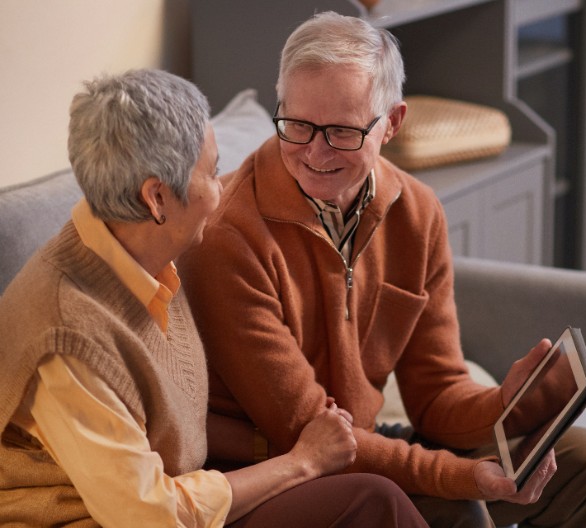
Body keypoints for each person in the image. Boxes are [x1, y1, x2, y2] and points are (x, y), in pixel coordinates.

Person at [179, 11, 586, 528]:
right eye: (297, 125)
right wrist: (464, 476)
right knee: (461, 509)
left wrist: (507, 403)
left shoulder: (417, 211)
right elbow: (308, 430)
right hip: (279, 466)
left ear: (392, 123)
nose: (314, 152)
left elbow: (435, 392)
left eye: (342, 131)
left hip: (364, 443)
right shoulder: (229, 236)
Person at [0, 68, 430, 528]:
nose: (223, 188)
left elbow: (167, 423)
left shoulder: (147, 254)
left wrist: (281, 446)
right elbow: (147, 515)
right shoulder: (67, 337)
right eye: (211, 171)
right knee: (373, 502)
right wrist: (301, 462)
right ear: (157, 198)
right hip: (112, 520)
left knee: (408, 500)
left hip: (182, 492)